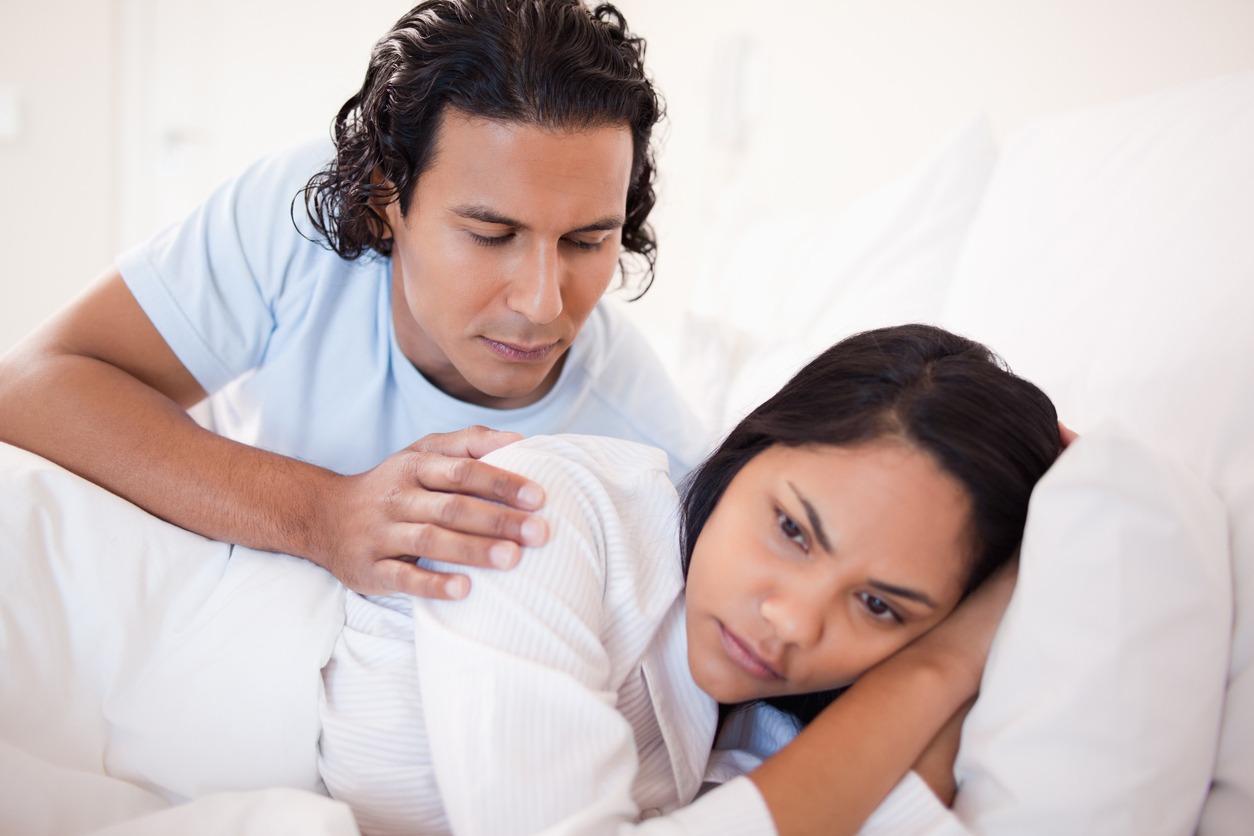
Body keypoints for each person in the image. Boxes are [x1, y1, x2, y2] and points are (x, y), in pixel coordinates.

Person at [0, 0, 705, 600]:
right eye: (492, 234)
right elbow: (31, 385)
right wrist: (322, 513)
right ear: (383, 200)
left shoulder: (650, 450)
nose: (543, 302)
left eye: (586, 241)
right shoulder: (291, 225)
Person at [316, 324, 1061, 836]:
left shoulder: (772, 716)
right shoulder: (544, 509)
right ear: (746, 450)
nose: (795, 621)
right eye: (793, 530)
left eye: (878, 606)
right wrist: (940, 668)